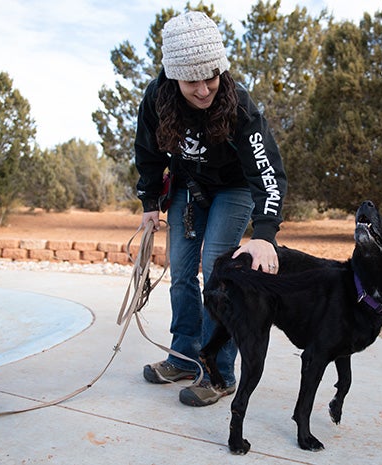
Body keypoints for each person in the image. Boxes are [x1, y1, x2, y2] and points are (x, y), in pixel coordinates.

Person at [134, 11, 288, 407]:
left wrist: (265, 234)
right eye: (191, 81)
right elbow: (148, 153)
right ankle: (184, 357)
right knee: (182, 272)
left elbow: (266, 172)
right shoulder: (156, 97)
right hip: (189, 186)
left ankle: (219, 371)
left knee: (218, 275)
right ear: (173, 78)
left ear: (221, 68)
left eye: (211, 77)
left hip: (234, 188)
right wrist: (151, 202)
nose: (203, 90)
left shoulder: (239, 107)